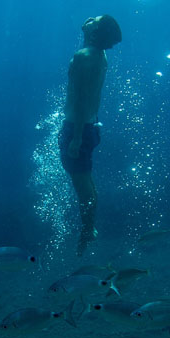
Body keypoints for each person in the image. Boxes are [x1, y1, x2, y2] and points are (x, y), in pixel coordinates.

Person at [59, 14, 122, 256]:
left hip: (78, 128)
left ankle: (87, 230)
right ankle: (89, 226)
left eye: (95, 19)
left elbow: (82, 98)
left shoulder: (84, 56)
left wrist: (75, 138)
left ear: (96, 32)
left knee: (82, 187)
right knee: (86, 183)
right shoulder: (99, 55)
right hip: (89, 126)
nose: (90, 18)